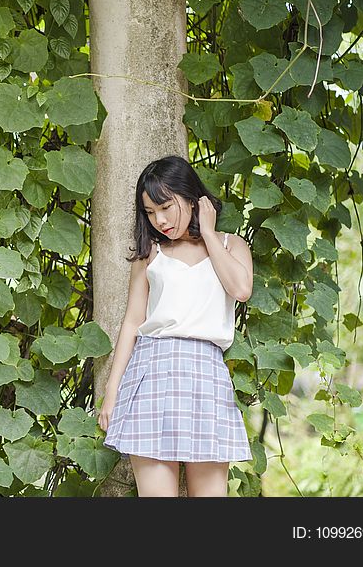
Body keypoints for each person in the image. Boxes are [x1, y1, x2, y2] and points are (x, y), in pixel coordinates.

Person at [98, 155, 254, 496]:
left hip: (207, 378)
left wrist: (209, 234)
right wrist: (112, 392)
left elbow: (241, 290)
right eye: (150, 213)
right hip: (153, 372)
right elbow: (132, 323)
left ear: (192, 197)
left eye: (166, 207)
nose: (160, 220)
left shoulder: (231, 244)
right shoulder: (151, 252)